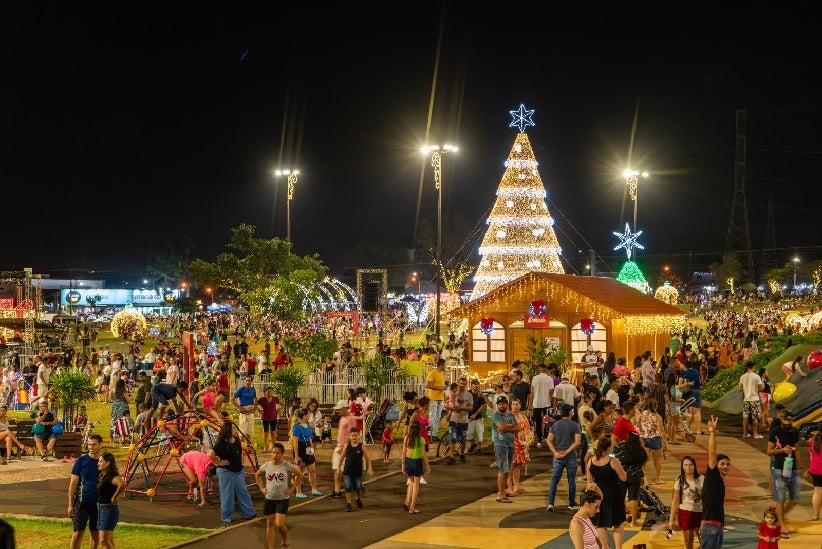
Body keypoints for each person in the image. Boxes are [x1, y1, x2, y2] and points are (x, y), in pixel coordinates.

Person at [207, 419, 257, 525]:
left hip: (238, 471)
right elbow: (210, 454)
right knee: (227, 494)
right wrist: (219, 463)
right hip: (226, 471)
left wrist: (242, 465)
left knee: (243, 491)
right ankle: (227, 517)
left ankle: (249, 513)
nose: (235, 430)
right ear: (228, 430)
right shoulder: (221, 443)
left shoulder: (236, 440)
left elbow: (240, 453)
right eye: (233, 428)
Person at [254, 443, 303, 549]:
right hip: (269, 499)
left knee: (279, 524)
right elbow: (257, 475)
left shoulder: (286, 465)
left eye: (277, 453)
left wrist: (292, 488)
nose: (275, 455)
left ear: (282, 454)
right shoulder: (266, 466)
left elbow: (299, 475)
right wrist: (262, 488)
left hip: (282, 499)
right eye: (273, 452)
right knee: (270, 525)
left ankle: (285, 539)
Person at [585, 436, 628, 549]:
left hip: (598, 496)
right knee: (618, 523)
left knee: (600, 523)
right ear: (608, 448)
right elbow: (623, 478)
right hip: (614, 494)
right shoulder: (613, 461)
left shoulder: (590, 461)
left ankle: (604, 546)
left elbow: (589, 481)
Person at [767, 408, 802, 536]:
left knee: (795, 498)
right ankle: (782, 524)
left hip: (792, 468)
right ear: (781, 419)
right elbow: (769, 451)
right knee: (780, 498)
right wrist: (782, 450)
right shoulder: (775, 432)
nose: (788, 422)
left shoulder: (795, 431)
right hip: (779, 468)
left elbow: (797, 448)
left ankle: (778, 516)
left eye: (790, 419)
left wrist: (800, 465)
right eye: (786, 419)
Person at [69, 433, 103, 549]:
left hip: (98, 503)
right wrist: (70, 504)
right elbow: (73, 483)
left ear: (100, 445)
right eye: (89, 445)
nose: (91, 447)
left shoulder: (104, 462)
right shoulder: (81, 461)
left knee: (95, 534)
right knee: (77, 533)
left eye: (94, 445)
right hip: (81, 502)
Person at [700, 415, 729, 549]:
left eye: (727, 464)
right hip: (710, 526)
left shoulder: (719, 482)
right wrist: (712, 432)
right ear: (715, 465)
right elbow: (712, 453)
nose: (725, 466)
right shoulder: (712, 476)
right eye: (722, 464)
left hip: (717, 525)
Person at [546, 403, 582, 511]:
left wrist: (555, 453)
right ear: (570, 412)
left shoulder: (555, 424)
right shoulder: (575, 425)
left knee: (554, 480)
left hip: (558, 457)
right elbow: (577, 442)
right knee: (571, 480)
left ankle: (551, 503)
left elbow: (549, 440)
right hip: (571, 456)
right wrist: (567, 451)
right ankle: (572, 503)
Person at [668, 455, 703, 549]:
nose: (688, 467)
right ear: (682, 467)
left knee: (704, 540)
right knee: (688, 542)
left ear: (694, 465)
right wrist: (671, 519)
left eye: (691, 464)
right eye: (685, 465)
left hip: (701, 512)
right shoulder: (679, 481)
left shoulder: (702, 479)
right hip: (685, 513)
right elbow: (675, 500)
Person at [490, 395, 520, 503]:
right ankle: (500, 494)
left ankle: (504, 491)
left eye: (503, 403)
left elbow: (518, 427)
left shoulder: (511, 415)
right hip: (500, 445)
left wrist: (506, 427)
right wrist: (511, 426)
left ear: (507, 404)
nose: (501, 406)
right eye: (499, 404)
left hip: (510, 444)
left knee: (507, 470)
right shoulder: (495, 415)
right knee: (503, 469)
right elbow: (501, 427)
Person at [616, 431, 648, 527]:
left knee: (620, 497)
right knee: (633, 497)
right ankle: (634, 521)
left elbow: (612, 456)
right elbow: (643, 464)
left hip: (621, 475)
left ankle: (622, 520)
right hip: (635, 476)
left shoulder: (620, 447)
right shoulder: (640, 450)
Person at [337, 427, 372, 512]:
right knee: (348, 487)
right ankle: (348, 504)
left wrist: (369, 467)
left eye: (355, 435)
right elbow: (342, 457)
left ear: (359, 436)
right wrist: (338, 468)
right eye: (352, 436)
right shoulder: (346, 446)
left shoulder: (361, 446)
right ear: (349, 436)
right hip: (347, 471)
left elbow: (367, 458)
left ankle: (358, 498)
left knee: (357, 487)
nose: (354, 437)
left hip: (357, 472)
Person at [96, 452, 126, 549]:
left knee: (104, 541)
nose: (98, 463)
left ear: (108, 463)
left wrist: (114, 496)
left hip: (108, 509)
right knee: (109, 540)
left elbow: (122, 484)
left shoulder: (111, 476)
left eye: (101, 461)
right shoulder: (104, 475)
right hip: (101, 509)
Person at [330, 399, 358, 499]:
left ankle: (347, 490)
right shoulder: (343, 418)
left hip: (344, 447)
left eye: (339, 409)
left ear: (344, 408)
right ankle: (337, 490)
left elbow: (352, 435)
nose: (337, 411)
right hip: (340, 446)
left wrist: (344, 447)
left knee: (343, 470)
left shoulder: (350, 419)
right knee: (336, 469)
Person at [291, 408, 322, 497]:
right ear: (304, 416)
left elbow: (310, 440)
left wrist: (312, 451)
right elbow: (295, 443)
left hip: (308, 450)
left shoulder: (308, 425)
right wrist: (296, 456)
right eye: (308, 414)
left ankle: (314, 489)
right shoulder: (296, 427)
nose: (309, 416)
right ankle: (298, 492)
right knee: (300, 471)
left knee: (312, 470)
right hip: (300, 450)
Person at [402, 421, 430, 514]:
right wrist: (427, 465)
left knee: (411, 482)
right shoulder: (421, 440)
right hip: (417, 462)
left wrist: (403, 464)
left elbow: (404, 452)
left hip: (408, 462)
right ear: (419, 429)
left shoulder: (407, 438)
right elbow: (423, 454)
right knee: (416, 485)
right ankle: (412, 507)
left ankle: (407, 502)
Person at [636, 399, 666, 484]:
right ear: (656, 406)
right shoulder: (657, 416)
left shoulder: (642, 414)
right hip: (655, 439)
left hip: (644, 439)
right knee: (657, 460)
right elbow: (661, 430)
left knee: (644, 460)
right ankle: (657, 479)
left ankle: (642, 478)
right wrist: (665, 441)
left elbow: (638, 427)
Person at [446, 377, 472, 465]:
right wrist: (451, 408)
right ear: (458, 383)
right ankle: (452, 456)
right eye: (460, 383)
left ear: (466, 384)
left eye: (464, 384)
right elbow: (446, 404)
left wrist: (461, 408)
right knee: (452, 438)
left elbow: (471, 407)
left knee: (463, 440)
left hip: (464, 421)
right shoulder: (453, 393)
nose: (462, 385)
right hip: (453, 420)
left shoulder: (469, 395)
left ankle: (462, 454)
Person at [508, 397, 531, 496]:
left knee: (518, 466)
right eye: (513, 404)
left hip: (522, 444)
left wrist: (527, 442)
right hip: (512, 443)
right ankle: (510, 488)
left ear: (520, 406)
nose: (515, 406)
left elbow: (528, 430)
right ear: (510, 406)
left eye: (517, 404)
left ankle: (517, 486)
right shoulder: (508, 417)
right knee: (511, 466)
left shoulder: (523, 417)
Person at [737, 360, 765, 438]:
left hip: (746, 399)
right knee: (755, 416)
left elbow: (739, 389)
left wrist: (746, 390)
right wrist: (761, 387)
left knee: (745, 416)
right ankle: (755, 434)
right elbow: (761, 388)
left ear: (747, 367)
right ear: (753, 367)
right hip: (754, 399)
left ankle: (745, 433)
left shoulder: (743, 376)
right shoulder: (756, 376)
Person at [531, 363, 554, 446]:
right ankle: (545, 438)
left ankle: (539, 440)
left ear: (539, 369)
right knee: (548, 422)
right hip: (546, 403)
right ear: (545, 369)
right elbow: (551, 392)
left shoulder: (535, 378)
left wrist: (531, 404)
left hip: (536, 403)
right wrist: (551, 403)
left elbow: (532, 391)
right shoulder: (549, 378)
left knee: (538, 422)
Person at [425, 359, 447, 441]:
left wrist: (443, 391)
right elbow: (428, 385)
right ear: (441, 365)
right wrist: (440, 388)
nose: (445, 366)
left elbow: (441, 386)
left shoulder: (441, 374)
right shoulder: (432, 373)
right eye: (444, 365)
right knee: (432, 417)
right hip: (433, 398)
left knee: (438, 417)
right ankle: (428, 434)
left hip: (440, 398)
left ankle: (434, 435)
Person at [256, 386, 280, 451]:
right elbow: (255, 404)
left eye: (271, 391)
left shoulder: (275, 399)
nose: (269, 393)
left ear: (272, 392)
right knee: (265, 433)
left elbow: (283, 404)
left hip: (273, 418)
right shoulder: (262, 399)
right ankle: (265, 447)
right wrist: (259, 411)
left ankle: (274, 447)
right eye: (268, 391)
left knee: (273, 433)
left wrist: (279, 410)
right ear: (265, 392)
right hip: (265, 418)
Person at [466, 380, 486, 454]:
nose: (476, 385)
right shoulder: (468, 394)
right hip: (469, 417)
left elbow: (482, 406)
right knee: (469, 435)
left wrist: (475, 414)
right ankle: (473, 444)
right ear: (471, 385)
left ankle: (479, 448)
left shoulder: (480, 394)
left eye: (477, 384)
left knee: (479, 434)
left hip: (478, 418)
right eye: (474, 384)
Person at [808, 429, 822, 521]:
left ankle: (816, 515)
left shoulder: (813, 440)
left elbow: (811, 456)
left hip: (815, 469)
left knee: (817, 492)